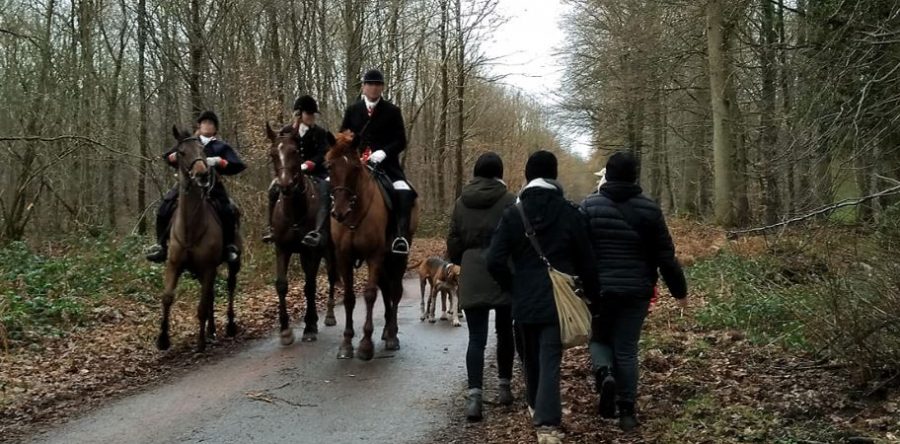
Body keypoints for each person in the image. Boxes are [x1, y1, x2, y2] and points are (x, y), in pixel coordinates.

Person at [486, 150, 601, 443]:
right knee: (549, 358)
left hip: (523, 298)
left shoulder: (514, 214)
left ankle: (536, 406)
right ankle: (547, 426)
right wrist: (590, 295)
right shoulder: (569, 212)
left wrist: (512, 286)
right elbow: (588, 261)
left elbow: (494, 260)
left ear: (527, 176)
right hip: (558, 300)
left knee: (531, 358)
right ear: (554, 175)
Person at [580, 151, 688, 431]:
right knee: (627, 349)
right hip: (637, 290)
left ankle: (604, 374)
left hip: (600, 290)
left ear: (608, 174)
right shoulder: (650, 209)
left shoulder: (589, 206)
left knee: (599, 338)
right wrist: (680, 292)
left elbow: (579, 251)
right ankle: (627, 410)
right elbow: (666, 256)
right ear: (634, 176)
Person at [447, 152, 516, 422]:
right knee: (504, 332)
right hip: (503, 271)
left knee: (476, 338)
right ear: (499, 173)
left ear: (475, 173)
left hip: (473, 270)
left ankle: (474, 397)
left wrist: (462, 259)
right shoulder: (510, 200)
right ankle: (504, 388)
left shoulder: (461, 202)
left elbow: (453, 240)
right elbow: (517, 235)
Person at [146, 111, 246, 263]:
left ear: (215, 128)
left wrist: (221, 162)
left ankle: (229, 246)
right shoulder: (190, 142)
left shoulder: (221, 146)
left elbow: (238, 165)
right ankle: (161, 246)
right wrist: (172, 157)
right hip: (187, 187)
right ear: (199, 126)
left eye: (211, 123)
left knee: (228, 210)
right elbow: (168, 156)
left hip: (212, 187)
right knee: (163, 208)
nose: (207, 125)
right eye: (204, 122)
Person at [340, 68, 415, 255]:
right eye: (370, 84)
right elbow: (343, 136)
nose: (373, 88)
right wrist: (352, 154)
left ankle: (400, 237)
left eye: (377, 85)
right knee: (333, 188)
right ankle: (329, 235)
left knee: (404, 192)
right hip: (357, 165)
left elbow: (401, 141)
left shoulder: (392, 111)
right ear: (363, 87)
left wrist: (384, 152)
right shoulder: (352, 110)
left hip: (387, 166)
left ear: (382, 88)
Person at [262, 95, 334, 246]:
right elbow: (280, 151)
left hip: (316, 172)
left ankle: (319, 230)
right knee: (273, 189)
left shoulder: (319, 132)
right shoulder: (286, 131)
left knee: (326, 189)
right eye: (309, 114)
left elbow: (324, 152)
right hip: (290, 173)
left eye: (313, 114)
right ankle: (271, 227)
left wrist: (310, 163)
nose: (312, 117)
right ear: (299, 115)